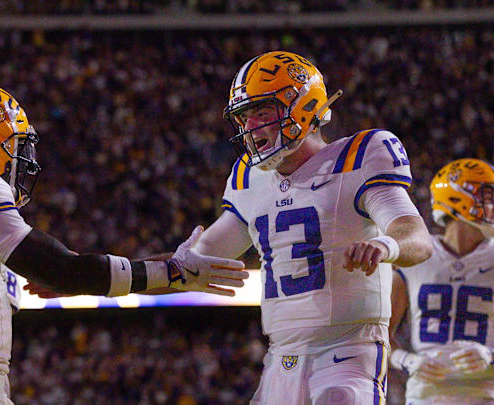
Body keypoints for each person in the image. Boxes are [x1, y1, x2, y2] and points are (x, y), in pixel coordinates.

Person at [0, 82, 248, 404]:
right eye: (12, 144)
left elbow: (69, 269)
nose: (18, 157)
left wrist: (172, 269)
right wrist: (168, 272)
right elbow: (66, 271)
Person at [187, 51, 433, 404]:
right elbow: (198, 258)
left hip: (349, 351)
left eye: (260, 112)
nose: (250, 129)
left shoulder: (359, 157)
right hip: (281, 360)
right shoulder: (249, 179)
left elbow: (417, 237)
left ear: (301, 106)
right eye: (243, 117)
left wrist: (385, 246)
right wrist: (124, 272)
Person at [389, 158, 494, 405]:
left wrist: (489, 355)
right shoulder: (418, 252)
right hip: (425, 397)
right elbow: (379, 336)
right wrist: (408, 360)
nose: (492, 205)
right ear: (459, 198)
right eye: (487, 197)